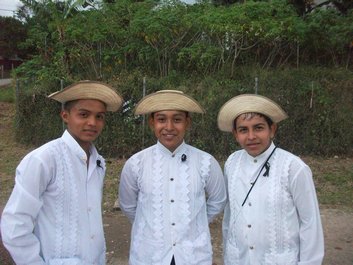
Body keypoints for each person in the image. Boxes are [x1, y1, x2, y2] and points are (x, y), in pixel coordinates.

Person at [1, 80, 124, 265]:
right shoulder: (43, 160)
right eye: (83, 114)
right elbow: (15, 224)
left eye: (99, 116)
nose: (92, 123)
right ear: (65, 115)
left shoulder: (98, 162)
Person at [119, 90, 227, 265]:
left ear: (187, 123)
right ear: (152, 123)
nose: (169, 127)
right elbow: (128, 205)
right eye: (161, 119)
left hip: (193, 255)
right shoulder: (136, 164)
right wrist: (152, 226)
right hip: (149, 255)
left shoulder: (206, 162)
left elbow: (218, 200)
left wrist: (193, 222)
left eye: (177, 119)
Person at [218, 94, 324, 265]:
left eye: (258, 128)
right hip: (239, 259)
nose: (251, 136)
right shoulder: (232, 163)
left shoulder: (294, 168)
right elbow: (229, 215)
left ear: (272, 129)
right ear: (235, 134)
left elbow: (310, 223)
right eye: (244, 130)